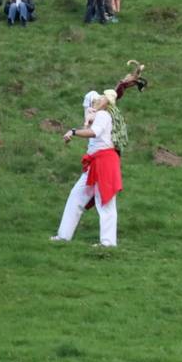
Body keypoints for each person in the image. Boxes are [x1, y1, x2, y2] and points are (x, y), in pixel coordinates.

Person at [52, 90, 122, 247]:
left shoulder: (103, 115)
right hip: (95, 163)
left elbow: (94, 133)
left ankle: (108, 243)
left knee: (105, 202)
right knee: (76, 196)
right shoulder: (98, 116)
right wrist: (86, 121)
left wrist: (74, 132)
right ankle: (63, 236)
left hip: (104, 162)